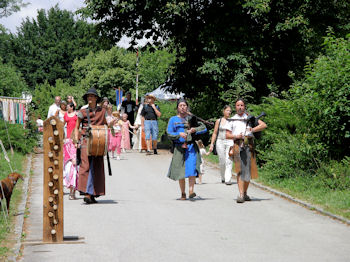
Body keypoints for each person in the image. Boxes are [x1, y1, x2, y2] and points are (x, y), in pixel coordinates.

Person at [73, 88, 115, 204]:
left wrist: (112, 123)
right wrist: (76, 140)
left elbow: (108, 122)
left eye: (92, 96)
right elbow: (76, 127)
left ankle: (93, 193)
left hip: (99, 141)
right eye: (88, 96)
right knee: (85, 166)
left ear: (96, 98)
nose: (90, 98)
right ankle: (86, 192)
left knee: (97, 167)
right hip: (86, 140)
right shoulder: (82, 111)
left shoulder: (103, 111)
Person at [226, 98, 267, 203]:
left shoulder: (250, 118)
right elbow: (227, 135)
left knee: (248, 171)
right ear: (235, 107)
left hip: (249, 145)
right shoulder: (232, 119)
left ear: (244, 107)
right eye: (238, 105)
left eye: (242, 105)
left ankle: (245, 193)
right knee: (240, 170)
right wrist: (236, 135)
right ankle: (240, 195)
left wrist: (252, 129)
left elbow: (263, 125)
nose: (240, 107)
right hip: (237, 145)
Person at [167, 99, 207, 200]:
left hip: (191, 147)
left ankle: (191, 191)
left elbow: (204, 127)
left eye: (184, 105)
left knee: (192, 169)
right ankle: (183, 193)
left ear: (187, 107)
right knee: (181, 171)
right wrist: (178, 134)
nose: (182, 107)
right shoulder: (173, 120)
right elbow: (169, 133)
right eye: (180, 105)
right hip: (179, 148)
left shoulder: (191, 119)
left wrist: (195, 130)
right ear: (177, 108)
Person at [208, 105, 233, 184]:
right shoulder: (218, 121)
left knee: (228, 160)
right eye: (227, 110)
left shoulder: (232, 121)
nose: (229, 112)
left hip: (229, 141)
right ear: (223, 111)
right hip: (220, 141)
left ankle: (228, 179)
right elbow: (215, 133)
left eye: (230, 111)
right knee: (222, 160)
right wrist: (212, 144)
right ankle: (223, 177)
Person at [63, 102, 78, 200]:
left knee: (75, 168)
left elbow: (78, 126)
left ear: (72, 107)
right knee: (68, 168)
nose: (67, 108)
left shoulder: (76, 115)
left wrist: (77, 138)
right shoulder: (65, 115)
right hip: (68, 138)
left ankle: (73, 192)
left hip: (75, 138)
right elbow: (62, 125)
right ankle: (70, 190)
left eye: (68, 107)